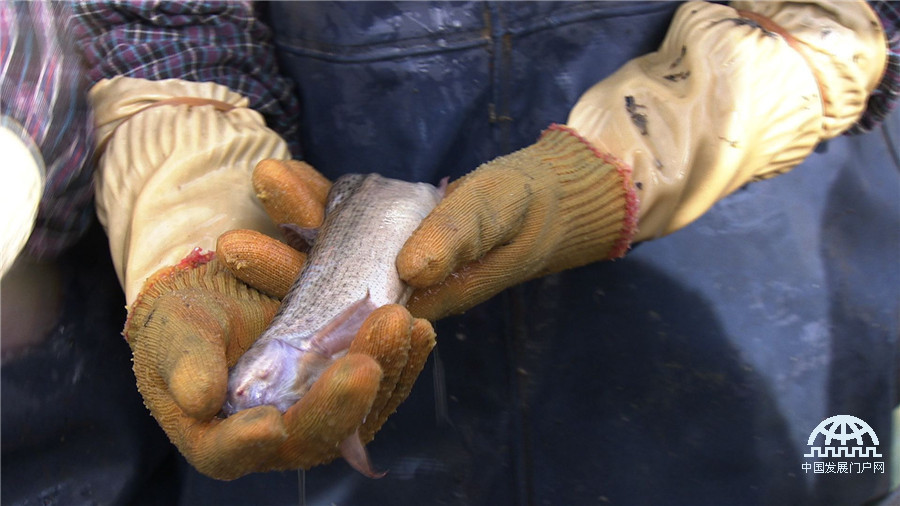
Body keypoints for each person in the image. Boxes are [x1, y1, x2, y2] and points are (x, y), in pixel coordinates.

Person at [2, 1, 898, 504]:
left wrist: (699, 118)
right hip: (335, 189)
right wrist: (191, 193)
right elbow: (158, 21)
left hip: (744, 255)